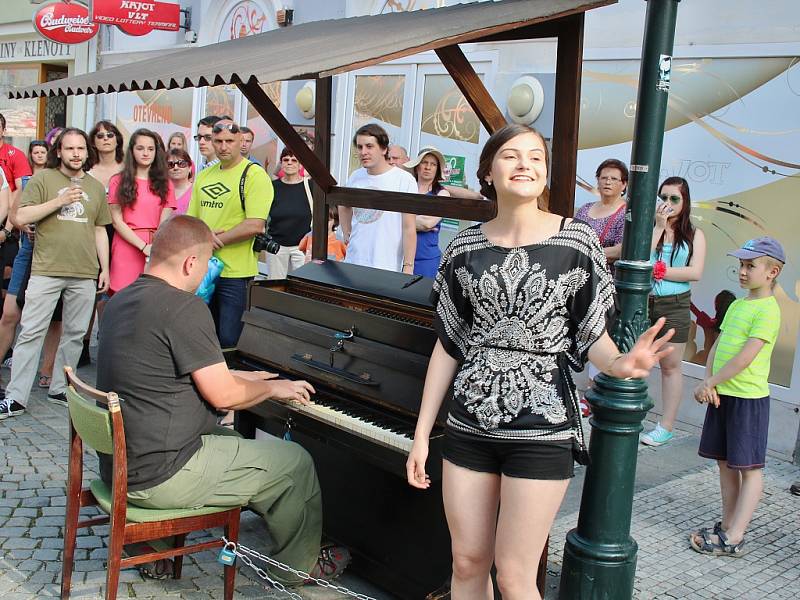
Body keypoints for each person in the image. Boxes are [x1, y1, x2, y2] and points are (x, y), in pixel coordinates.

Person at [406, 124, 673, 599]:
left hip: (542, 428)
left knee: (514, 576)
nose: (524, 164)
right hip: (469, 425)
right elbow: (448, 344)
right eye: (510, 156)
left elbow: (594, 336)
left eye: (535, 156)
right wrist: (423, 433)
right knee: (466, 563)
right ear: (488, 171)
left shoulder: (576, 241)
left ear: (546, 172)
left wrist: (620, 365)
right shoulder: (464, 247)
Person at [94, 214, 350, 585]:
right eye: (207, 263)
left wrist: (245, 376)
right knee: (294, 462)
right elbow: (224, 395)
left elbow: (171, 372)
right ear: (190, 262)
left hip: (121, 463)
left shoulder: (123, 299)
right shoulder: (184, 307)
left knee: (232, 440)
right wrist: (273, 387)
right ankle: (297, 567)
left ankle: (153, 543)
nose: (206, 274)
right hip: (162, 473)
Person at [0, 128, 110, 418]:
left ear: (87, 153)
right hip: (46, 269)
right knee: (31, 332)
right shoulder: (43, 179)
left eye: (81, 149)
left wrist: (105, 268)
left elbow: (100, 229)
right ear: (58, 151)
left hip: (84, 271)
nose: (76, 154)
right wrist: (59, 202)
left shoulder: (96, 187)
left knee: (74, 334)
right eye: (70, 148)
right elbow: (21, 216)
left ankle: (60, 388)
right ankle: (16, 397)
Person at [690, 236, 785, 557]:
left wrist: (712, 381)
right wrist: (708, 381)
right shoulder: (739, 305)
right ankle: (727, 523)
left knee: (749, 468)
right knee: (725, 463)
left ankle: (736, 536)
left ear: (772, 272)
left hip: (747, 399)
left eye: (750, 266)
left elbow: (746, 356)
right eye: (741, 265)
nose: (742, 272)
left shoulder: (769, 311)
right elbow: (719, 344)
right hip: (722, 394)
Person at [187, 119, 273, 348]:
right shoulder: (205, 175)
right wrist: (203, 238)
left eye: (229, 141)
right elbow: (192, 220)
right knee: (200, 335)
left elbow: (255, 225)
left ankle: (230, 382)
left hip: (236, 273)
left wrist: (213, 240)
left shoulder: (254, 175)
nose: (224, 146)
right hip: (203, 269)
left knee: (229, 338)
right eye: (218, 141)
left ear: (241, 142)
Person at [641, 177, 707, 447]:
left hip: (675, 304)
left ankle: (666, 426)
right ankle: (631, 418)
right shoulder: (651, 227)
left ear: (685, 201)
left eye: (674, 199)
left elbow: (695, 272)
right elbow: (641, 257)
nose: (667, 204)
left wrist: (662, 271)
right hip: (643, 303)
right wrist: (658, 226)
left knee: (670, 366)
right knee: (638, 362)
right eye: (663, 197)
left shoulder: (694, 234)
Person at [0, 140, 63, 391]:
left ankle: (47, 369)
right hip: (28, 253)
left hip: (57, 256)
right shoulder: (28, 181)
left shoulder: (70, 185)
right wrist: (23, 225)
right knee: (10, 314)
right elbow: (15, 215)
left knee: (55, 319)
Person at [574, 158, 629, 416]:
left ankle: (594, 392)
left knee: (600, 333)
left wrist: (591, 251)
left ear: (624, 185)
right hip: (582, 280)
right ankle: (580, 391)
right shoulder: (584, 209)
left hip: (607, 285)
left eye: (614, 179)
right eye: (603, 177)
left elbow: (621, 249)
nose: (607, 182)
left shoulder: (625, 213)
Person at [339, 124, 417, 273]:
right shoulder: (356, 176)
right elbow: (343, 204)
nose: (364, 152)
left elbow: (409, 227)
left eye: (369, 146)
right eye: (360, 147)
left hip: (386, 263)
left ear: (383, 149)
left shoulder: (404, 180)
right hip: (354, 259)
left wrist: (408, 266)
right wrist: (346, 232)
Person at [108, 129, 176, 294]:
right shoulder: (118, 180)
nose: (146, 153)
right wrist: (143, 246)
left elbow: (165, 222)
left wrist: (153, 246)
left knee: (151, 296)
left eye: (150, 149)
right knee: (123, 295)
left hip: (156, 245)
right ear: (132, 150)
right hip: (127, 243)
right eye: (140, 148)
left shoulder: (166, 183)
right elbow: (116, 221)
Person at [265, 147, 311, 279]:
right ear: (281, 163)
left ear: (300, 164)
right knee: (275, 287)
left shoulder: (309, 186)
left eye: (294, 160)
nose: (289, 162)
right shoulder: (273, 187)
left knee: (302, 287)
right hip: (277, 246)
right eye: (286, 159)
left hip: (302, 247)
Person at [404, 147, 450, 278]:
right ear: (417, 166)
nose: (428, 167)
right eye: (424, 162)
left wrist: (402, 221)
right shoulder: (406, 189)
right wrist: (416, 222)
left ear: (437, 170)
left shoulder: (442, 194)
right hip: (400, 256)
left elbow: (427, 224)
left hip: (426, 261)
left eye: (433, 164)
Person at [689, 290, 736, 364]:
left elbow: (695, 310)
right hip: (725, 362)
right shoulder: (735, 328)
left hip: (706, 359)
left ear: (716, 304)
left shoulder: (709, 323)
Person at [87, 121, 124, 189]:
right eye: (100, 136)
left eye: (110, 135)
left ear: (117, 141)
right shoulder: (86, 170)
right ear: (93, 143)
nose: (106, 138)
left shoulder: (127, 169)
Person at [167, 148, 194, 214]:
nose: (176, 167)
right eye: (170, 164)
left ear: (190, 168)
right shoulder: (161, 191)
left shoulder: (196, 190)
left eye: (181, 164)